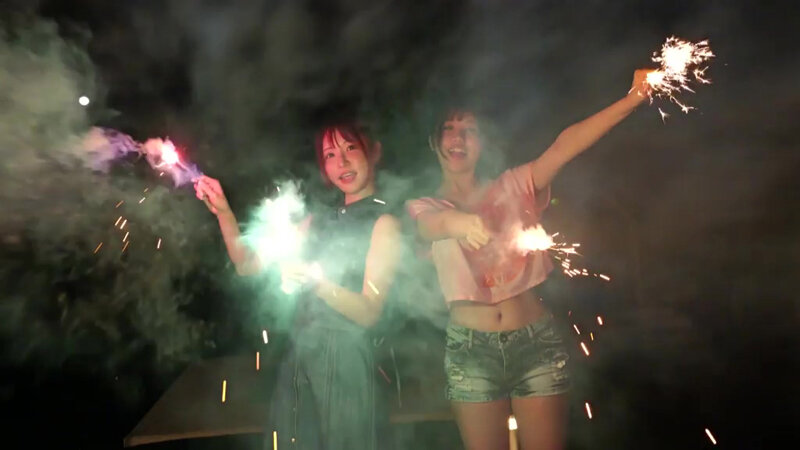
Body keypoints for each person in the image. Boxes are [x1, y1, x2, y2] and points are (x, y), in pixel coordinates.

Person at [406, 69, 652, 450]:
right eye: (449, 129)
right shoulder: (424, 205)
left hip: (535, 342)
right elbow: (430, 226)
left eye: (469, 130)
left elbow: (564, 147)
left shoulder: (514, 184)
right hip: (471, 351)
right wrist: (459, 223)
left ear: (483, 142)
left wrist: (631, 100)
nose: (458, 138)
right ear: (433, 141)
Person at [194, 122, 403, 449]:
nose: (342, 162)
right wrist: (223, 212)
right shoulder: (316, 220)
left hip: (347, 357)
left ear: (372, 152)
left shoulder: (384, 222)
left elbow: (369, 312)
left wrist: (316, 283)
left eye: (351, 148)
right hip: (301, 353)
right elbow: (247, 264)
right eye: (330, 154)